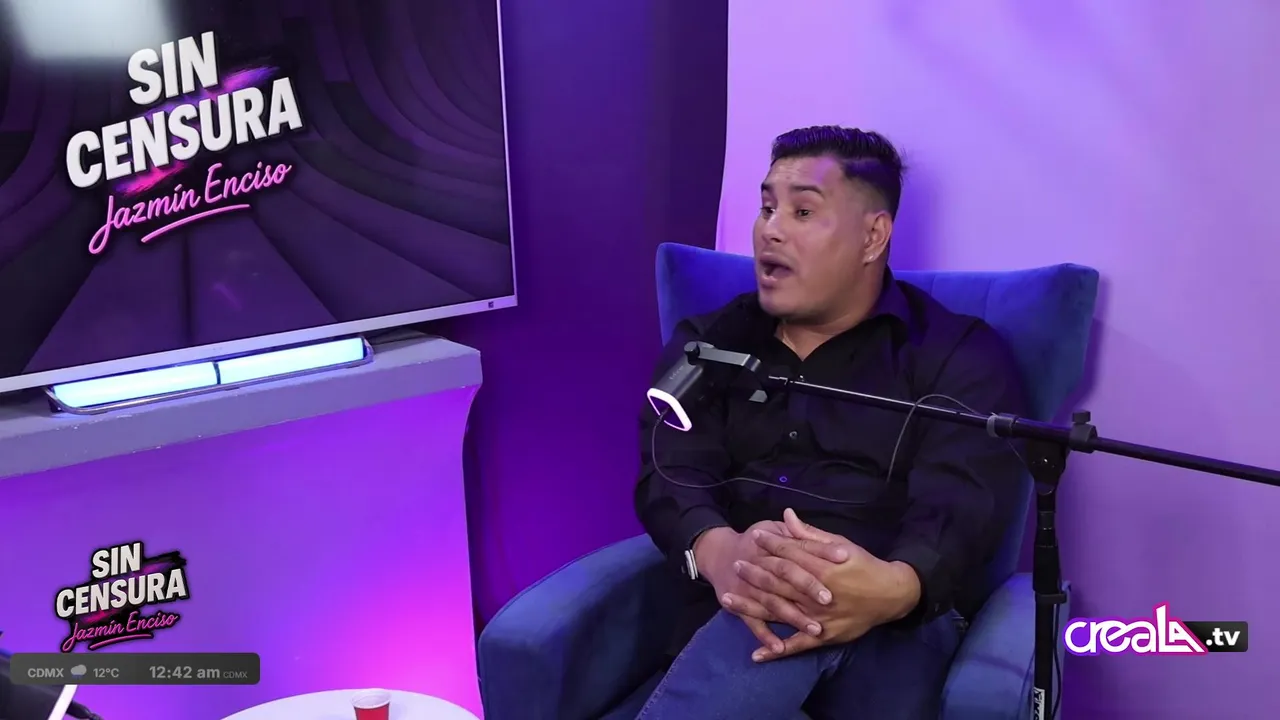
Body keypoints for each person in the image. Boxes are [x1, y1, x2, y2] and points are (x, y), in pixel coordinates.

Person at [633, 126, 1029, 719]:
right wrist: (720, 552)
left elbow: (962, 500)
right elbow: (668, 467)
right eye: (767, 208)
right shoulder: (709, 343)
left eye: (802, 211)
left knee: (795, 591)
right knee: (777, 589)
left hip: (894, 628)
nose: (770, 230)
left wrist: (895, 585)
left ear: (873, 236)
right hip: (732, 609)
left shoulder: (958, 355)